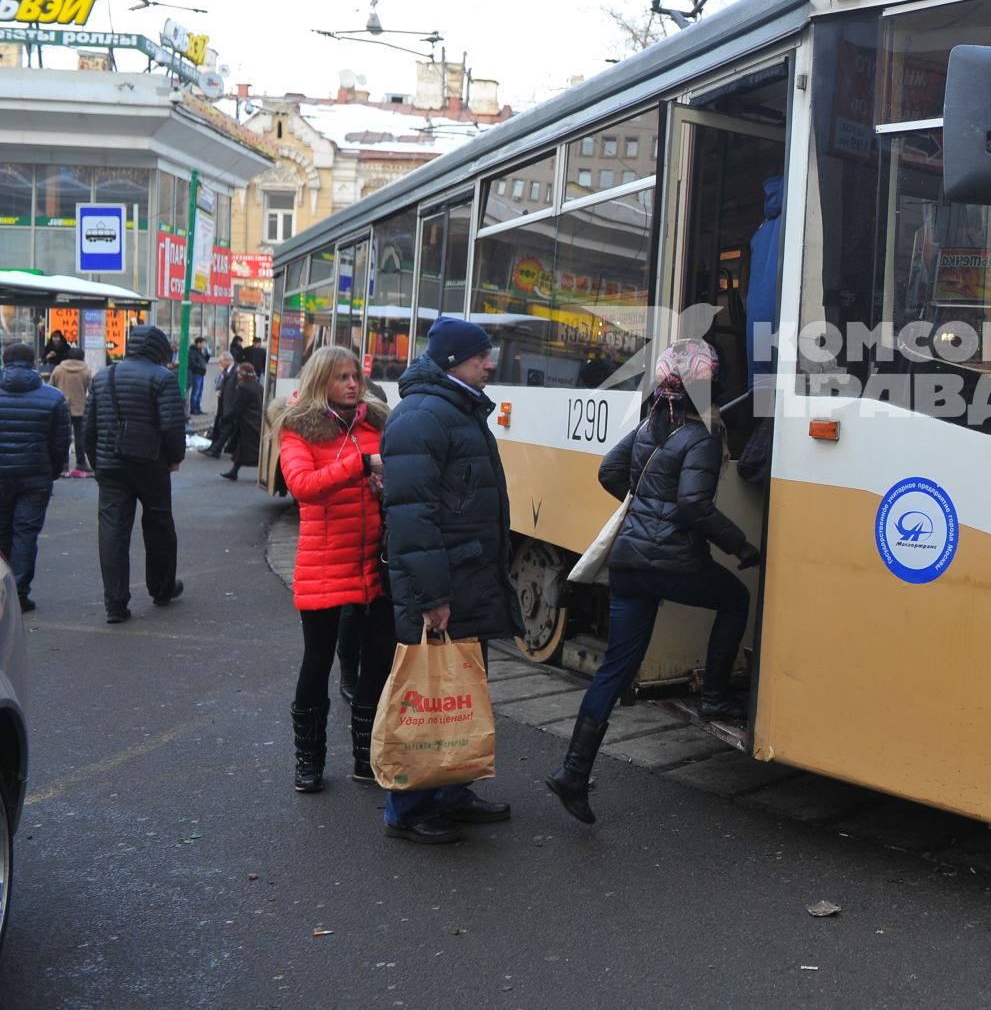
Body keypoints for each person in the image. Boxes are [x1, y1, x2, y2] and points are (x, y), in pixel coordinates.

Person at [546, 338, 760, 826]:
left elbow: (609, 471)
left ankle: (572, 773)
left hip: (630, 564)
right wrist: (741, 546)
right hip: (674, 564)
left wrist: (643, 508)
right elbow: (693, 506)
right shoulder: (703, 436)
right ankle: (714, 697)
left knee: (616, 668)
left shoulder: (649, 424)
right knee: (735, 599)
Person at [380, 316, 522, 844]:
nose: (491, 363)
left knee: (459, 690)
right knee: (426, 694)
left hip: (465, 575)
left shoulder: (455, 409)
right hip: (443, 586)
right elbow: (412, 521)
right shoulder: (422, 417)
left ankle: (454, 790)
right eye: (481, 355)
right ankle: (409, 808)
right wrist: (432, 597)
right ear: (451, 363)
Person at [276, 346, 396, 793]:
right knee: (317, 662)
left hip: (374, 564)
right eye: (342, 376)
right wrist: (360, 465)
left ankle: (367, 758)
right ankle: (308, 760)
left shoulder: (378, 424)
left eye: (355, 376)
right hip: (324, 564)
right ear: (321, 381)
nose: (352, 384)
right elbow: (303, 487)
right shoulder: (299, 430)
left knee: (377, 664)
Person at [83, 324, 187, 622]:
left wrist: (97, 461)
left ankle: (115, 603)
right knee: (159, 526)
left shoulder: (103, 377)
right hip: (150, 464)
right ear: (158, 349)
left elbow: (88, 428)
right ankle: (162, 587)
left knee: (112, 531)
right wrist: (174, 458)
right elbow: (171, 425)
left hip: (110, 465)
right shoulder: (162, 378)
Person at [0, 343, 72, 613]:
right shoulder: (52, 397)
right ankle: (19, 591)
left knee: (2, 532)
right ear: (34, 363)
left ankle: (1, 589)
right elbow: (61, 442)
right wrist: (50, 471)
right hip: (35, 476)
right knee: (25, 533)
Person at [48, 352, 93, 476]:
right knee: (79, 436)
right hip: (80, 407)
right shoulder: (86, 370)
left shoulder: (59, 369)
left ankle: (63, 464)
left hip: (61, 407)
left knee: (63, 437)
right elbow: (91, 389)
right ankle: (81, 462)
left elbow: (51, 387)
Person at [221, 363, 264, 481]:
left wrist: (226, 418)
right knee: (243, 447)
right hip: (256, 420)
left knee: (252, 448)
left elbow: (237, 406)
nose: (238, 375)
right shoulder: (258, 386)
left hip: (247, 422)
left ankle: (262, 472)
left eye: (240, 373)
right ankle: (234, 471)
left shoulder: (243, 386)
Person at [187, 338, 210, 415]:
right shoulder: (193, 351)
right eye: (203, 343)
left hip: (201, 373)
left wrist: (207, 354)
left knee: (199, 392)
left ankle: (198, 408)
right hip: (196, 373)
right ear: (198, 343)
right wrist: (200, 367)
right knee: (196, 392)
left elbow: (205, 360)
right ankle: (193, 409)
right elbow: (192, 362)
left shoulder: (200, 352)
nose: (204, 345)